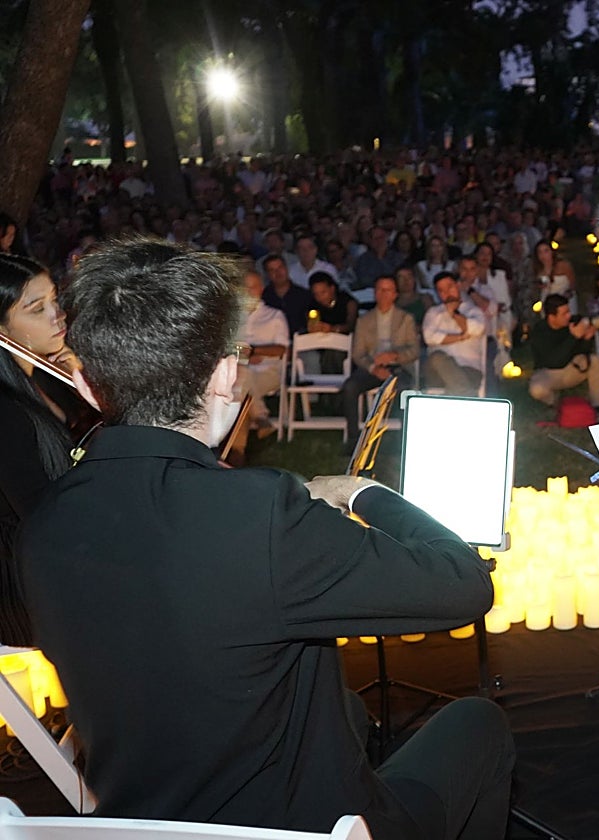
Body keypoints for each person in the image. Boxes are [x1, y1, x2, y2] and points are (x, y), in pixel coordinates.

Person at [19, 239, 514, 839]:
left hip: (146, 816)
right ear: (227, 372)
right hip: (294, 826)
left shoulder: (44, 528)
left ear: (90, 389)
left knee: (348, 711)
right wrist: (363, 494)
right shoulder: (261, 515)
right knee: (478, 725)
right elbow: (464, 585)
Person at [0, 255, 94, 646]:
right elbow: (42, 516)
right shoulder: (5, 410)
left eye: (55, 300)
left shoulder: (47, 379)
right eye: (37, 309)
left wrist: (84, 384)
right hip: (23, 583)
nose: (58, 316)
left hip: (64, 549)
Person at [339, 274, 420, 446]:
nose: (383, 294)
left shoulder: (405, 319)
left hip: (398, 367)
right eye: (379, 290)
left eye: (387, 290)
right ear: (375, 293)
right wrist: (373, 367)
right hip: (372, 367)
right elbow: (358, 353)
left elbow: (414, 350)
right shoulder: (364, 320)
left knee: (404, 388)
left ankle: (403, 441)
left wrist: (394, 356)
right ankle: (354, 439)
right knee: (350, 387)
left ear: (395, 294)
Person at [527, 293, 599, 412]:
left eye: (568, 311)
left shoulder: (572, 323)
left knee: (594, 360)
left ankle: (597, 406)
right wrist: (573, 337)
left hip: (571, 369)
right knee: (537, 389)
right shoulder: (540, 332)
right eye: (564, 314)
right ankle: (554, 403)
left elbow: (582, 352)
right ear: (552, 317)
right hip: (548, 373)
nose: (568, 316)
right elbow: (554, 361)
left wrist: (586, 339)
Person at [235, 269, 289, 436]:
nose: (249, 292)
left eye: (253, 287)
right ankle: (260, 417)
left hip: (268, 370)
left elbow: (282, 349)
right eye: (246, 288)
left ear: (261, 288)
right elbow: (224, 348)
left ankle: (234, 447)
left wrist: (254, 351)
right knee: (242, 378)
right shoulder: (233, 317)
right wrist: (244, 358)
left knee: (239, 387)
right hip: (238, 371)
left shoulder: (274, 316)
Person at [422, 271, 487, 395]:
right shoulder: (433, 313)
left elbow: (476, 329)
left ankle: (460, 392)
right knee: (437, 357)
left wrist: (454, 314)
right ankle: (464, 394)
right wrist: (461, 337)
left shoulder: (473, 311)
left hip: (468, 370)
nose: (446, 293)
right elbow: (429, 337)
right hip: (437, 372)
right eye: (441, 290)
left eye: (449, 287)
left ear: (457, 286)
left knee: (460, 381)